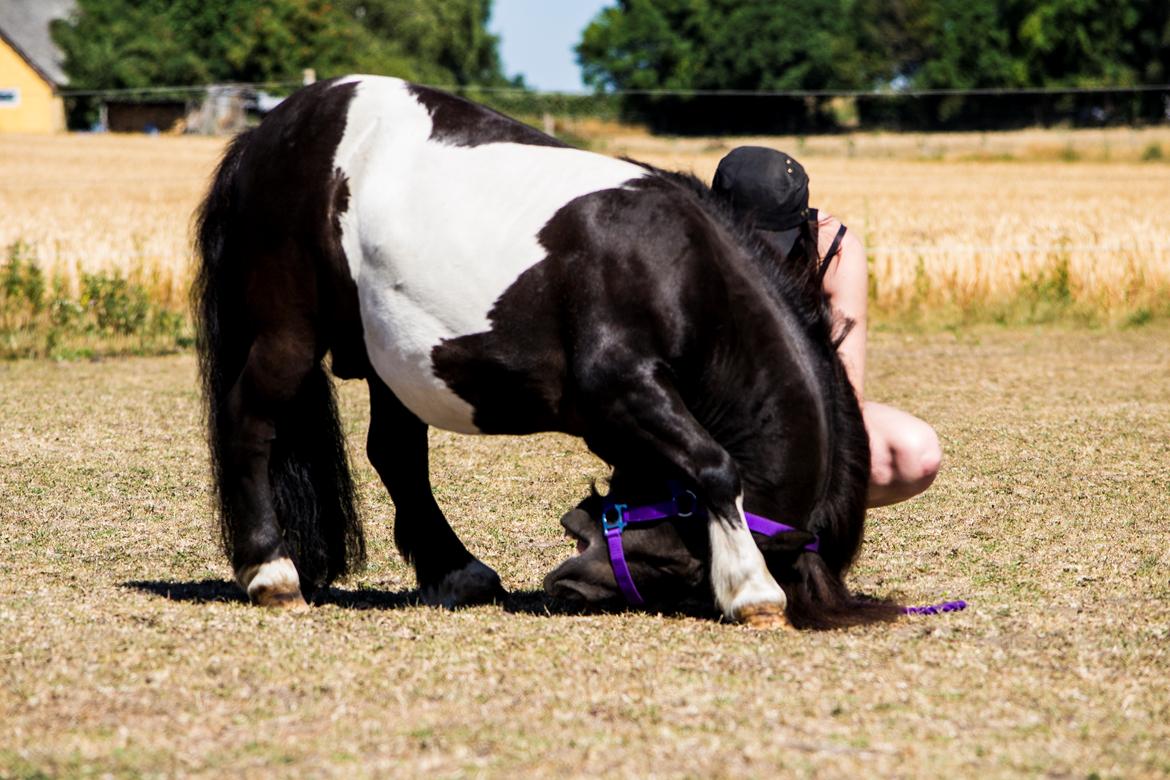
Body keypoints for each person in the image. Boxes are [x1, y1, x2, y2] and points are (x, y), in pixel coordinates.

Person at [712, 146, 940, 507]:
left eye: (779, 239)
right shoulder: (686, 248)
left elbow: (847, 394)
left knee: (916, 452)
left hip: (799, 410)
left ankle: (788, 517)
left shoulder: (834, 250)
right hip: (710, 417)